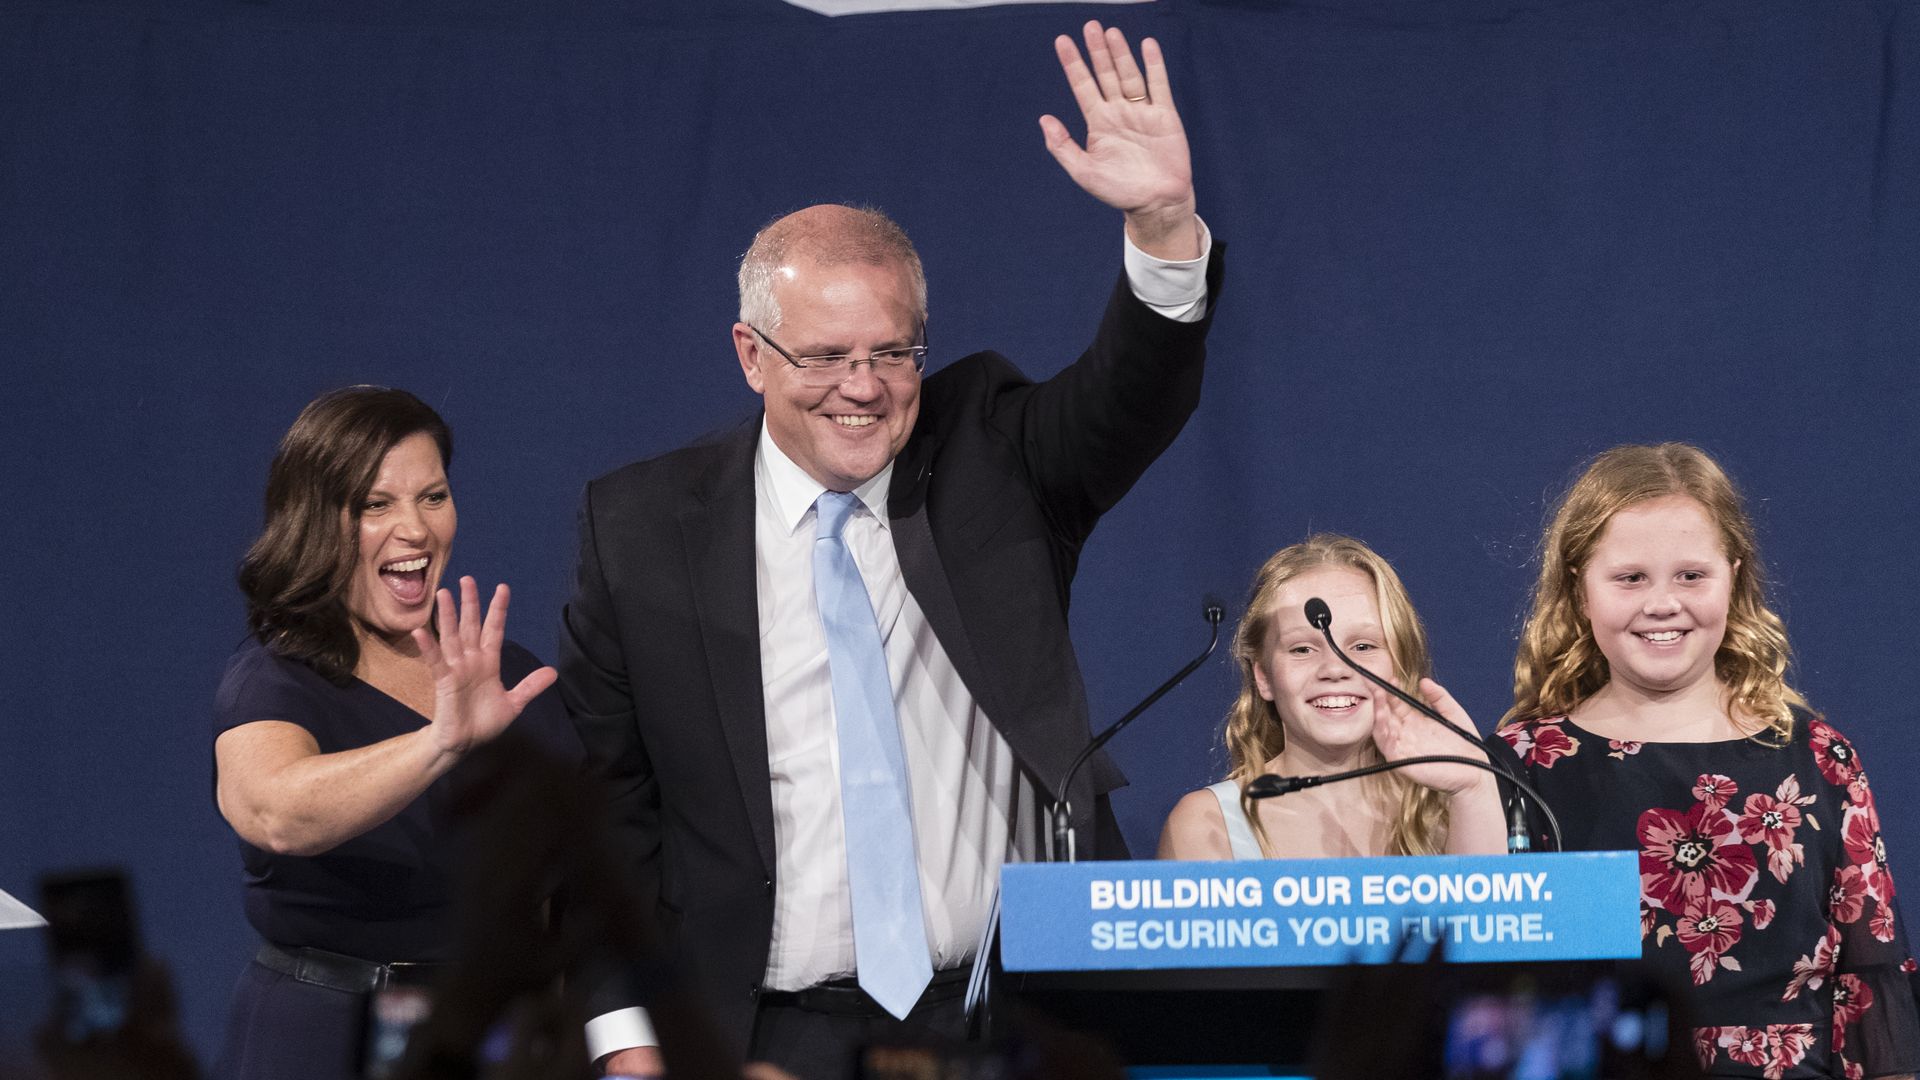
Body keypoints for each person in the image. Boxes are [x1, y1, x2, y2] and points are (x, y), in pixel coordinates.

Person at [560, 20, 1219, 1078]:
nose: (861, 388)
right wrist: (625, 1042)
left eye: (891, 353)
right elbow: (606, 814)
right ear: (750, 354)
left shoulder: (990, 455)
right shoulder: (640, 530)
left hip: (1007, 1021)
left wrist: (1163, 223)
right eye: (824, 356)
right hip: (765, 1038)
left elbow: (1125, 402)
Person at [1488, 442, 1920, 1078]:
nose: (1663, 603)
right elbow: (1496, 995)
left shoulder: (1818, 759)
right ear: (1581, 591)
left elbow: (1872, 982)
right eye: (1630, 578)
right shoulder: (1524, 764)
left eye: (1691, 575)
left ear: (1734, 576)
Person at [210, 386, 574, 1080]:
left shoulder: (504, 677)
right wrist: (440, 740)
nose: (415, 529)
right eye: (376, 505)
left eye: (432, 497)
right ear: (315, 522)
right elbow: (275, 811)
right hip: (325, 1040)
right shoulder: (274, 677)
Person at [1158, 534, 1506, 861]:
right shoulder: (1207, 824)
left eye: (1363, 646)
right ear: (1263, 676)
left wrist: (1473, 787)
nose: (1335, 669)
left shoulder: (1449, 810)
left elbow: (1487, 923)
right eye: (1303, 649)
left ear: (1400, 664)